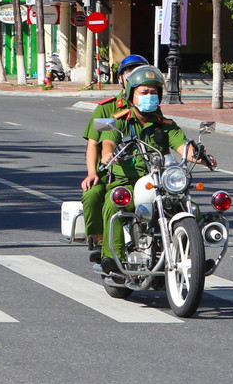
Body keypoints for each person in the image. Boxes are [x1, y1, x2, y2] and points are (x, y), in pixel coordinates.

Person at [97, 65, 217, 271]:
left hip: (161, 182)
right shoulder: (120, 121)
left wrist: (201, 157)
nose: (149, 96)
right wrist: (108, 153)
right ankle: (112, 257)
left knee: (192, 208)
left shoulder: (165, 124)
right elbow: (108, 142)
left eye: (153, 92)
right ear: (131, 94)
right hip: (127, 181)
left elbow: (183, 147)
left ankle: (192, 258)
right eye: (143, 92)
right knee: (113, 205)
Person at [80, 54, 150, 261]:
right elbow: (95, 142)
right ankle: (101, 242)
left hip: (143, 171)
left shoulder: (148, 105)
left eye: (139, 74)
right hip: (110, 170)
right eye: (130, 73)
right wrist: (92, 172)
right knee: (92, 195)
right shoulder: (108, 108)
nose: (134, 78)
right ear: (121, 78)